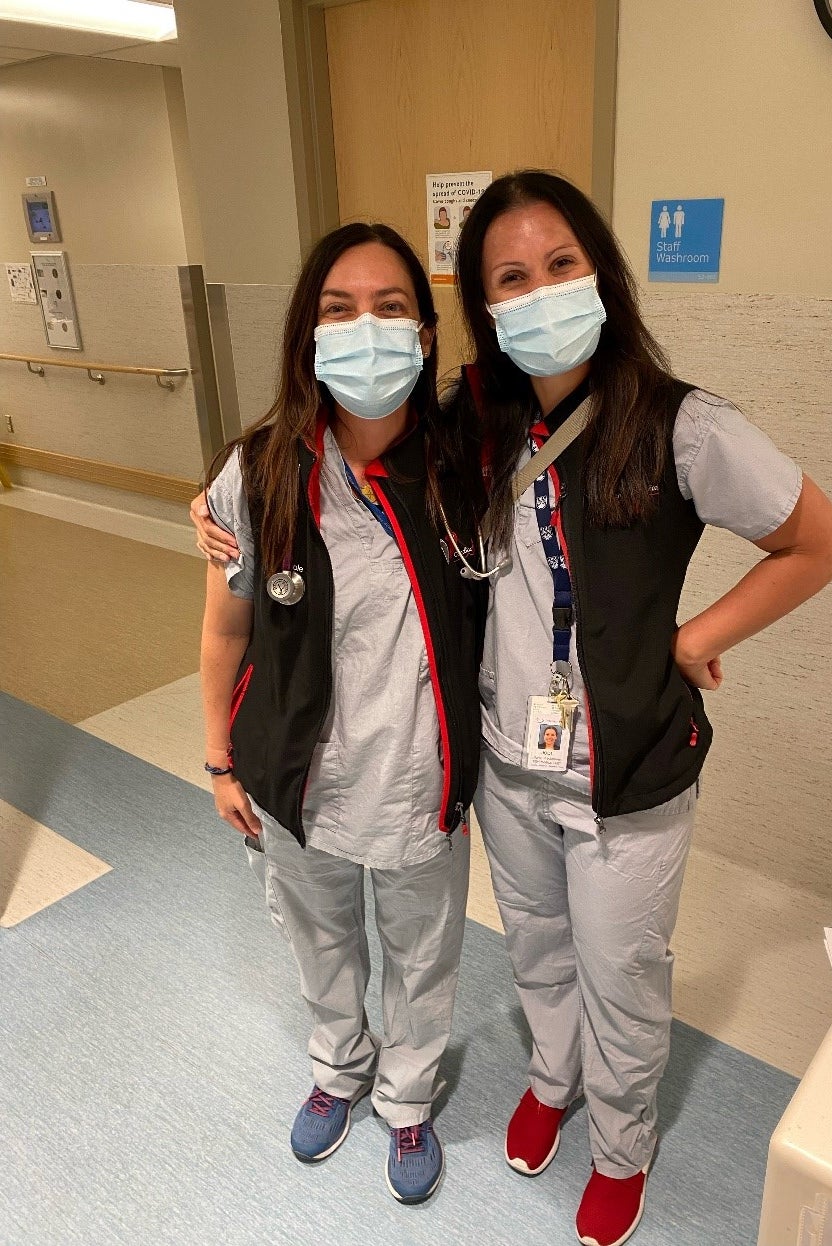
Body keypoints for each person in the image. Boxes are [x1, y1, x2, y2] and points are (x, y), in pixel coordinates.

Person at [451, 171, 832, 1246]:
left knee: (622, 968)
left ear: (601, 275)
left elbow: (817, 542)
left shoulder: (681, 425)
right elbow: (355, 465)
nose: (538, 293)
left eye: (560, 266)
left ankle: (623, 1141)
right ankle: (552, 1077)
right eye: (509, 278)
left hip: (626, 767)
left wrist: (696, 637)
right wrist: (228, 517)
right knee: (535, 943)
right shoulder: (476, 423)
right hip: (509, 759)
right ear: (483, 306)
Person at [199, 222, 487, 1205]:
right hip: (297, 774)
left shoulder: (461, 467)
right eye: (338, 309)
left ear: (425, 332)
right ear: (306, 335)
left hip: (416, 771)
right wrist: (217, 761)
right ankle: (338, 1069)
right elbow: (225, 632)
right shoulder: (260, 471)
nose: (365, 328)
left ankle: (406, 1099)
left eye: (390, 307)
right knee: (321, 939)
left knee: (421, 947)